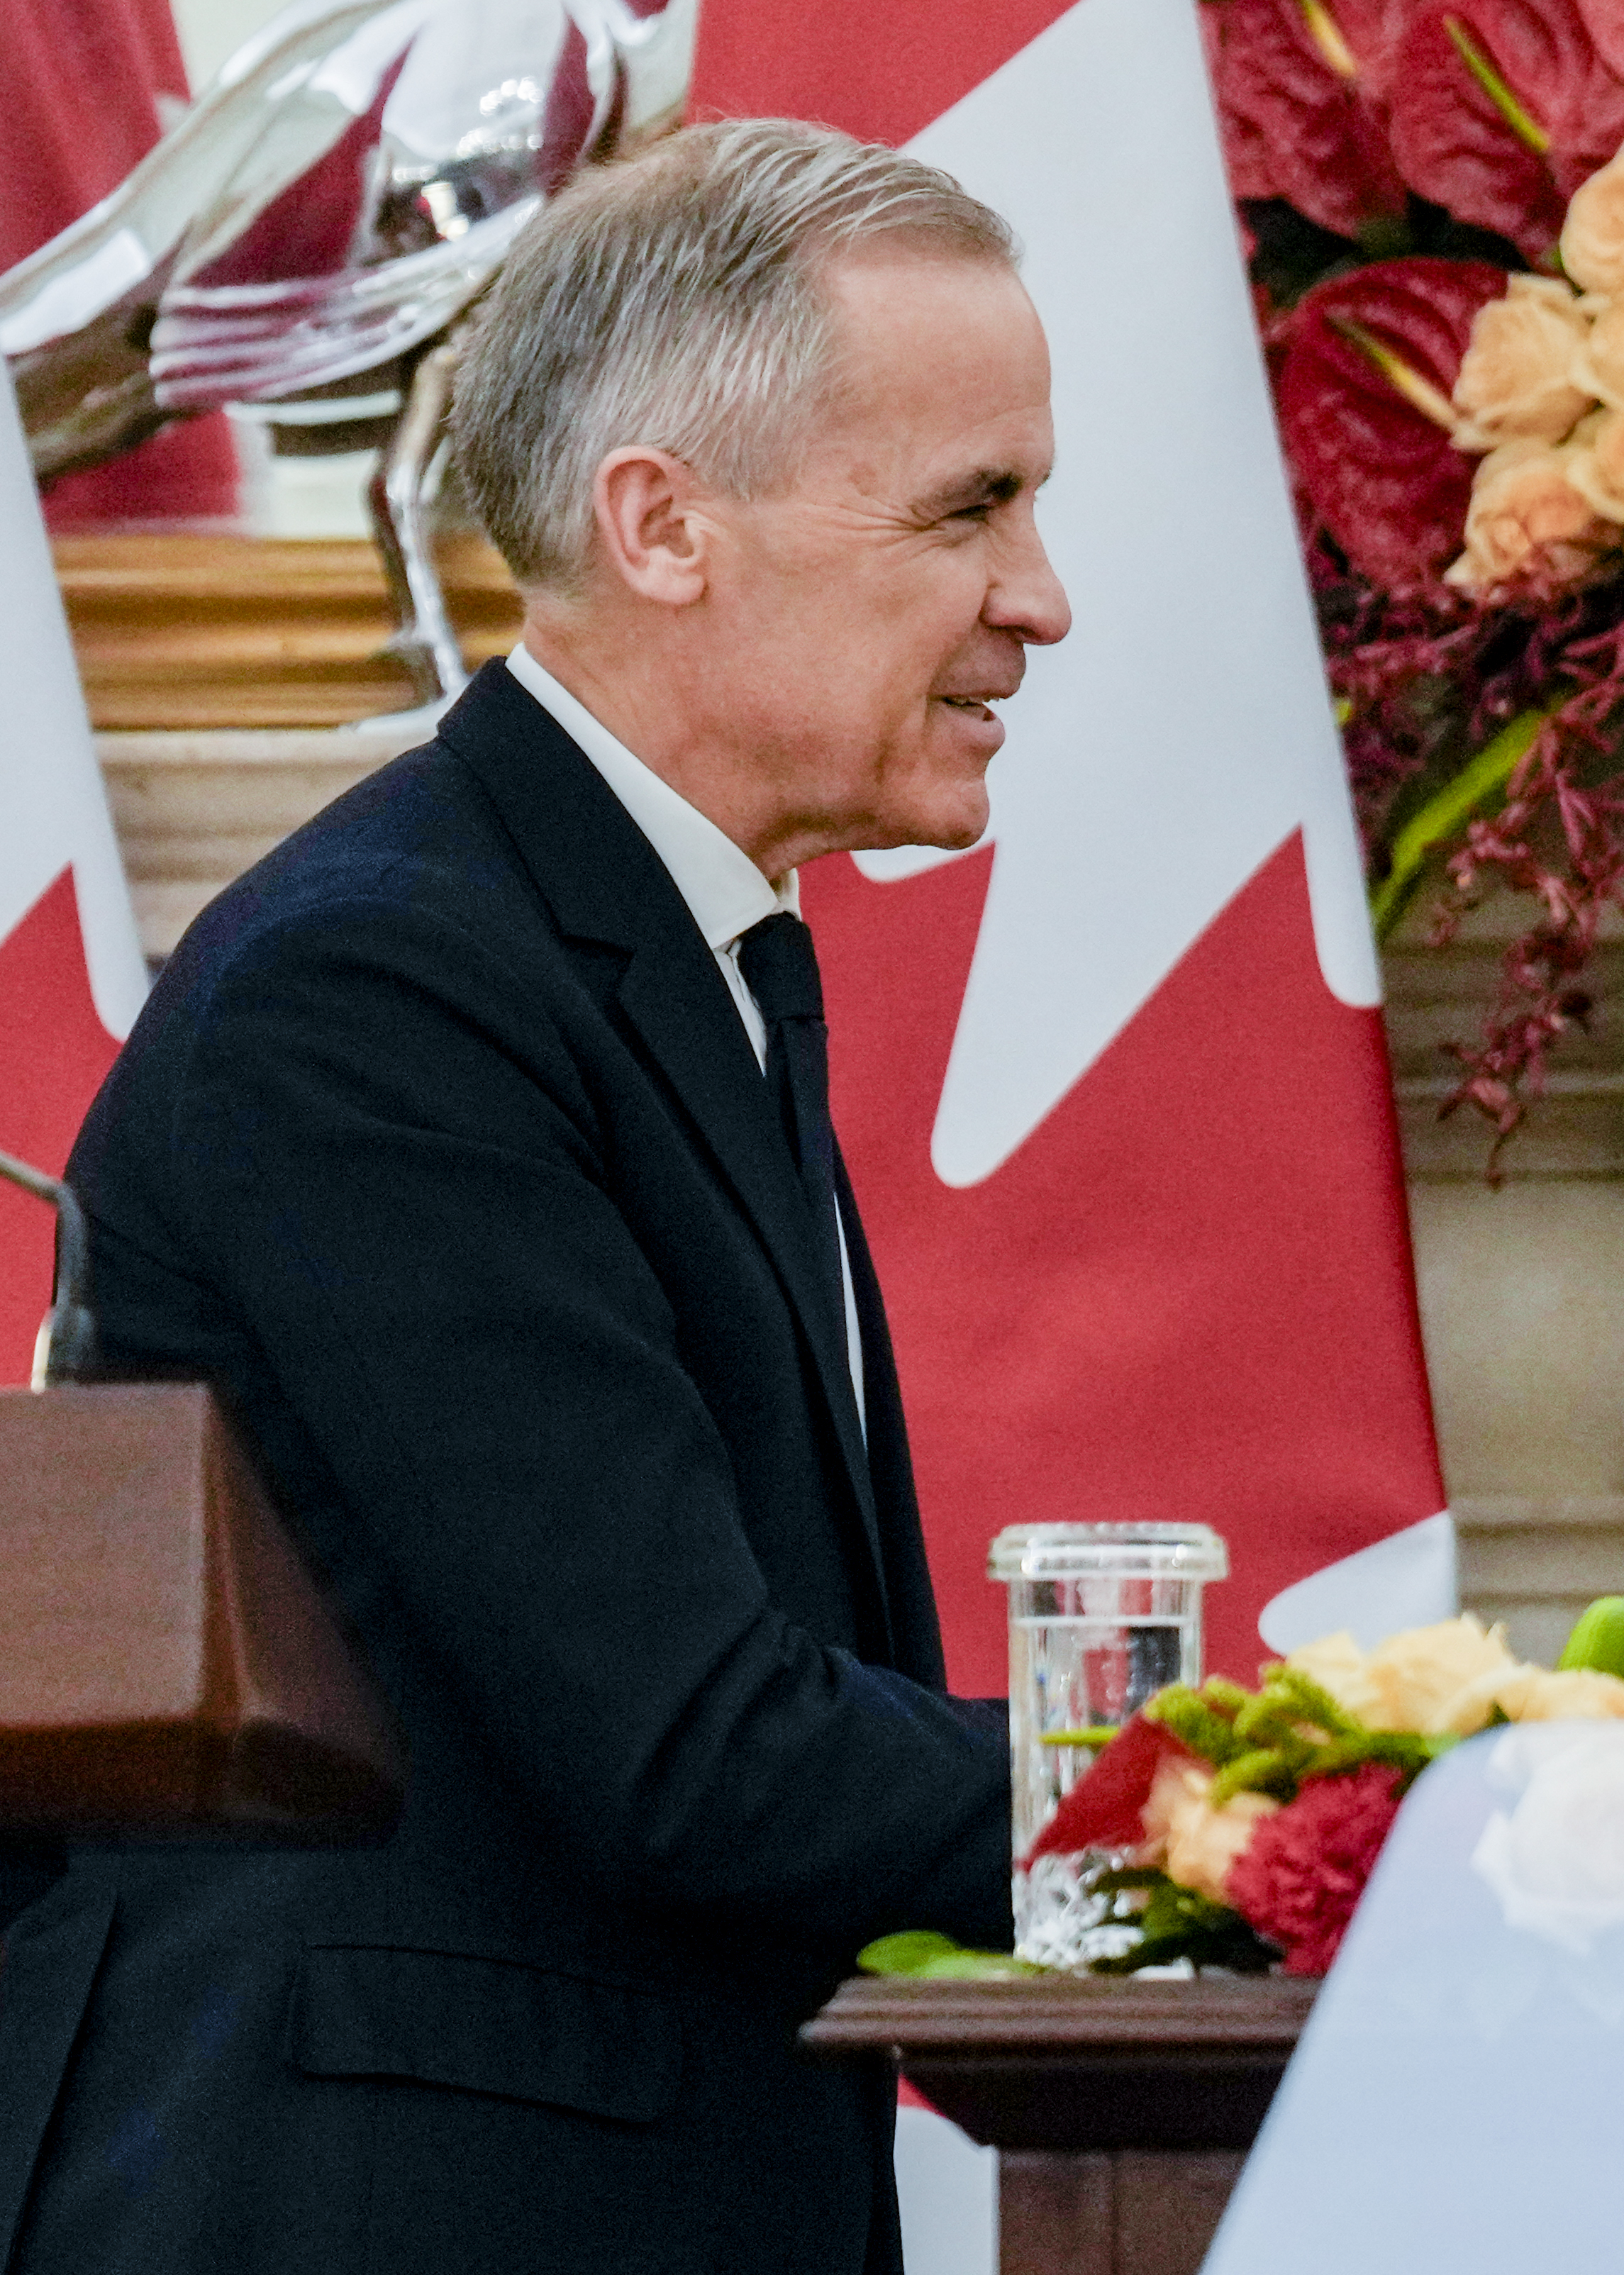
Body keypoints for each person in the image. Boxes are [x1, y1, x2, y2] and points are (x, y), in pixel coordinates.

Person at [0, 117, 1070, 2274]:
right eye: (973, 509)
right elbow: (693, 1749)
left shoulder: (669, 948)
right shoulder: (383, 987)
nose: (1039, 599)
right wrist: (1288, 1806)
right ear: (662, 526)